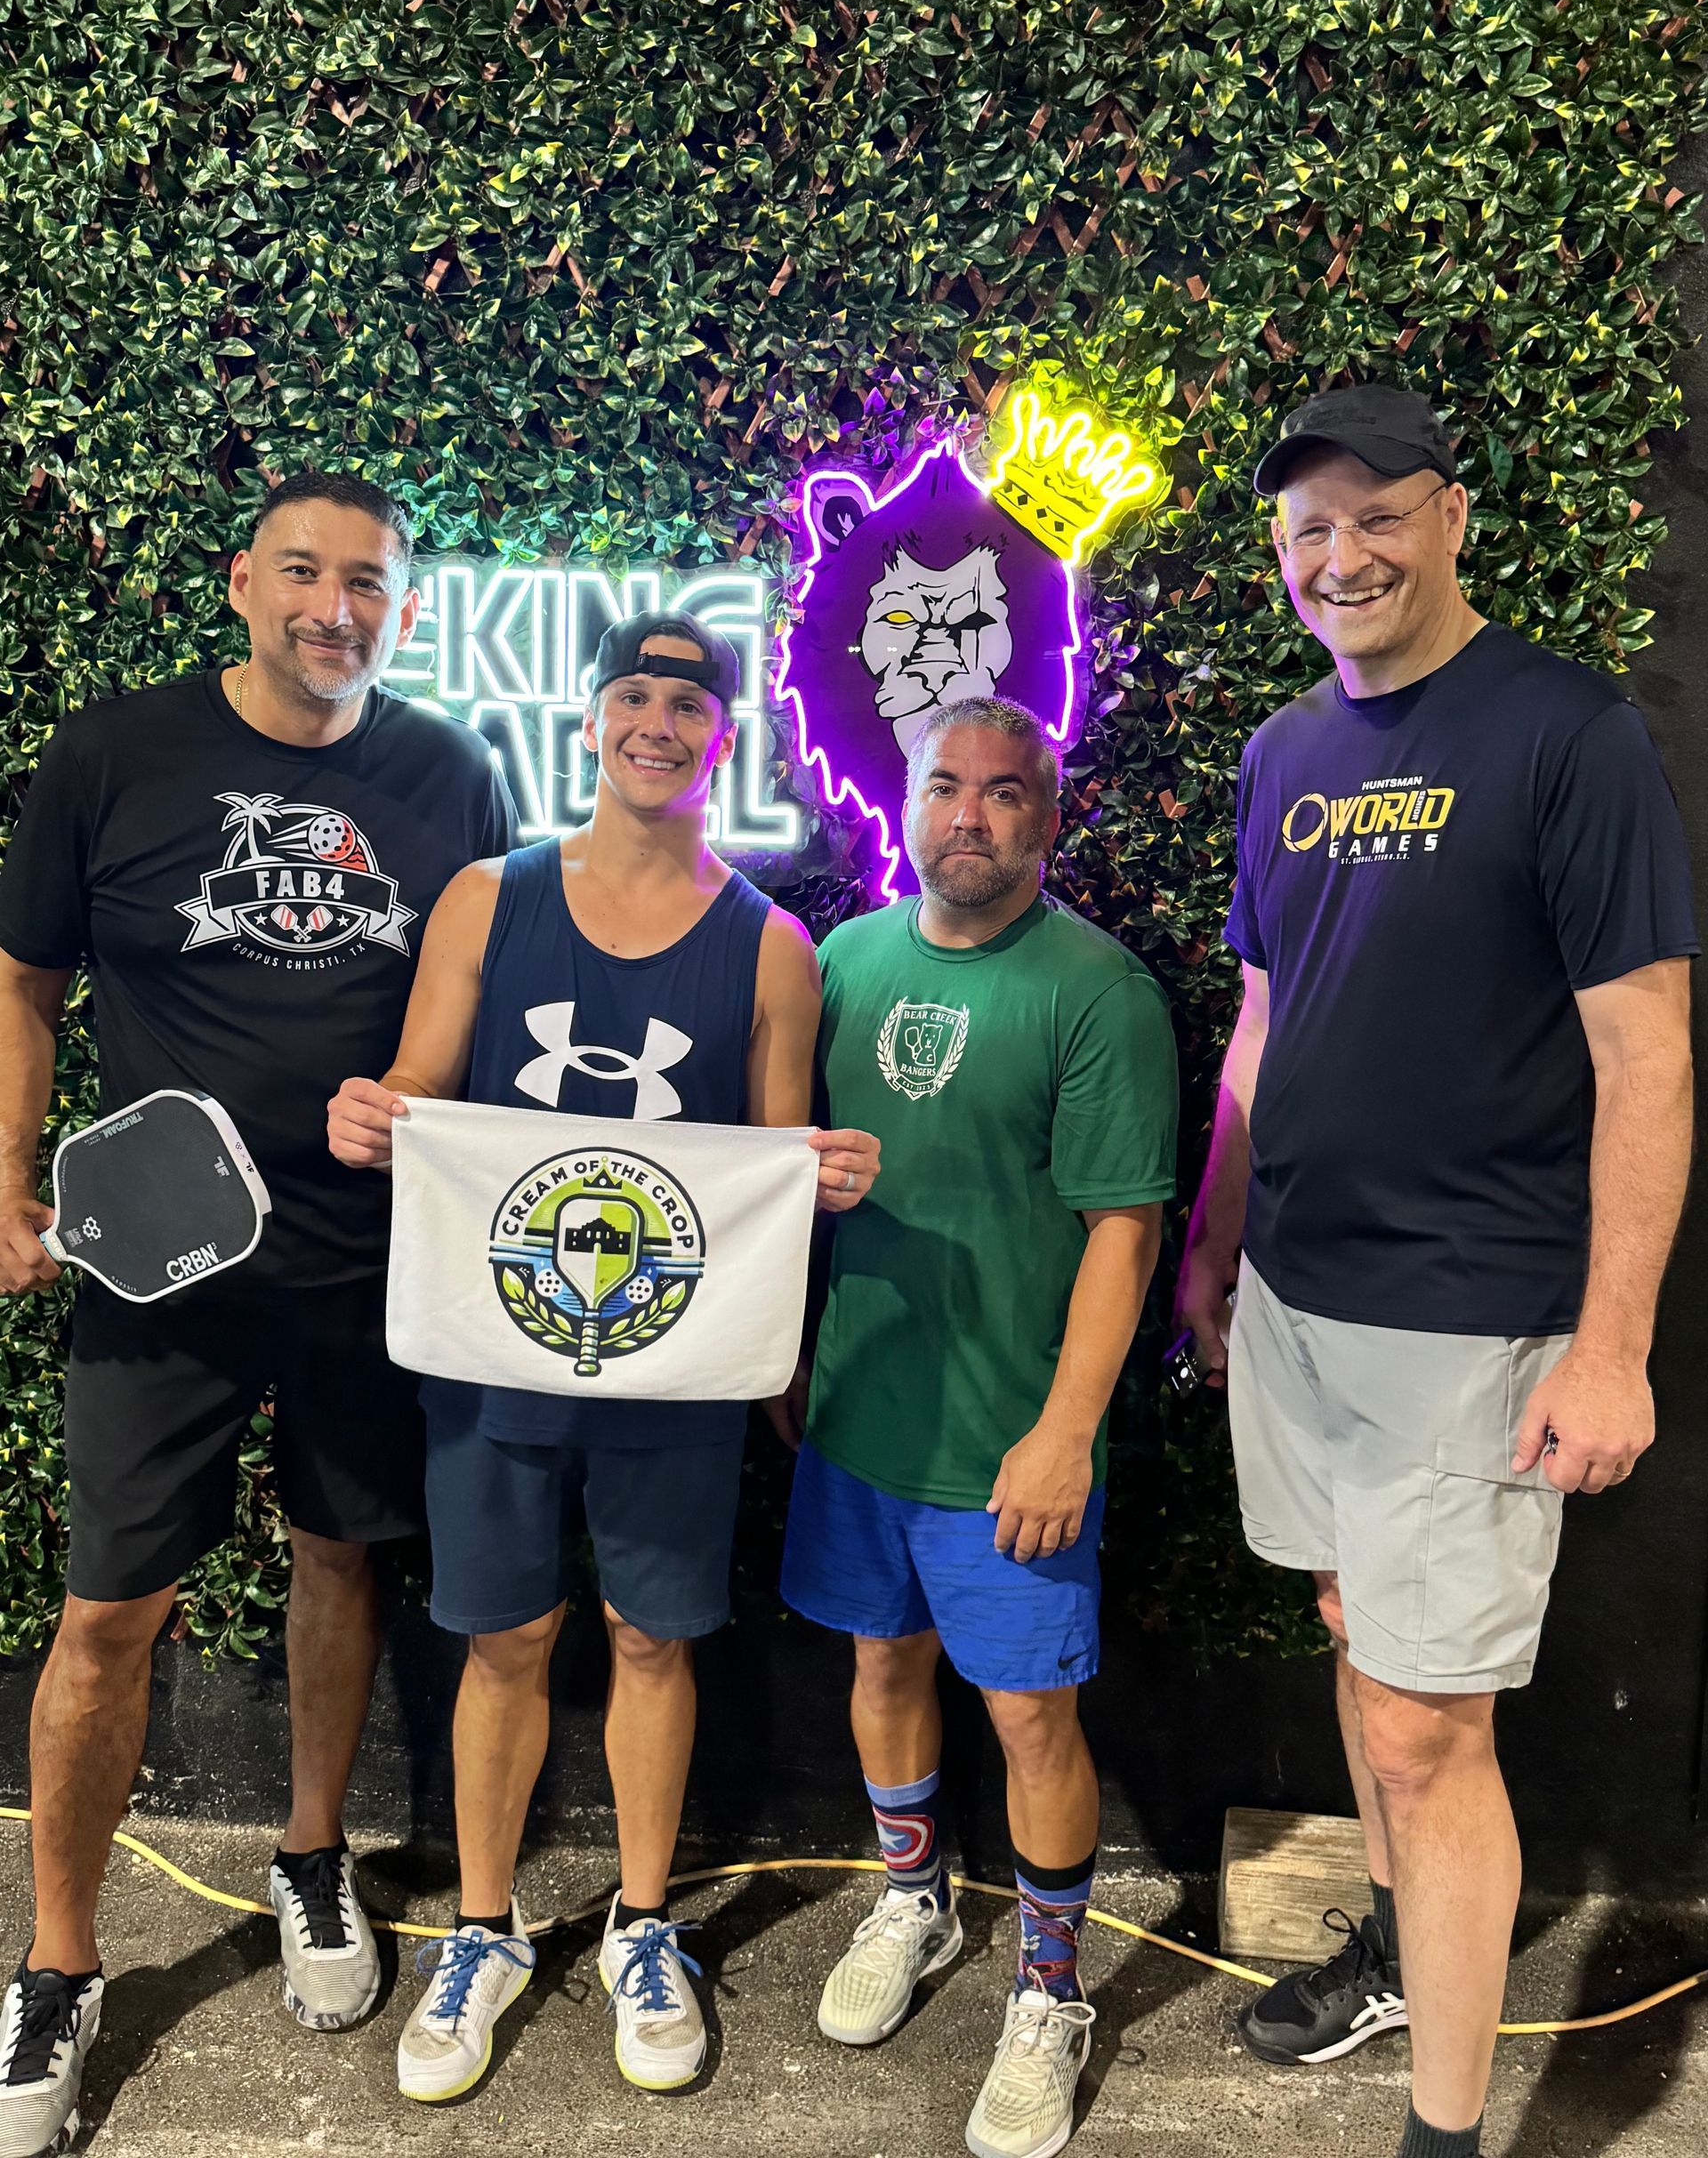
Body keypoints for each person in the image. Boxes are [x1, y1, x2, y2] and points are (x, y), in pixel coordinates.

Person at [1175, 384, 1697, 2158]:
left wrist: (1614, 1340)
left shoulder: (1566, 730)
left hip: (1475, 1317)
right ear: (1279, 554)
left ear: (1452, 515)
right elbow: (1263, 1015)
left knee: (1423, 1730)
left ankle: (1447, 2137)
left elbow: (1646, 1045)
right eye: (1310, 527)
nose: (1345, 553)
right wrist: (1214, 1235)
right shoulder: (1279, 755)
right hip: (1296, 1309)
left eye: (1378, 512)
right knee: (1353, 1633)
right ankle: (1404, 1952)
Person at [0, 472, 519, 2157]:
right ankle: (59, 1964)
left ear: (406, 609)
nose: (334, 607)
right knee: (106, 1613)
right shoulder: (112, 754)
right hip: (163, 1273)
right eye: (304, 572)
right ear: (243, 582)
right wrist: (8, 1181)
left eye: (367, 582)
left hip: (376, 1265)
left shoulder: (447, 774)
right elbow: (24, 980)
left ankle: (312, 1855)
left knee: (341, 1558)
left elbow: (488, 1000)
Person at [326, 609, 879, 2106]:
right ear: (589, 724)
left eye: (687, 707)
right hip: (494, 1343)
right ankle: (486, 1930)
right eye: (631, 697)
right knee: (501, 1639)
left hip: (675, 1364)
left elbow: (769, 1161)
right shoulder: (486, 901)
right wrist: (372, 1113)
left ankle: (646, 1927)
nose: (658, 724)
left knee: (653, 1637)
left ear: (723, 739)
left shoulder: (773, 945)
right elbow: (420, 1087)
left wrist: (812, 1185)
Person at [775, 695, 1179, 2158]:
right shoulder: (841, 962)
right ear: (908, 797)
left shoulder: (1098, 992)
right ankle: (912, 1900)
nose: (971, 816)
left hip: (1009, 1441)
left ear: (1047, 820)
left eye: (1007, 795)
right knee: (881, 1662)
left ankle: (1051, 1991)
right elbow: (775, 1174)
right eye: (947, 785)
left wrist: (1067, 1429)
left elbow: (1126, 1234)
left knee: (1028, 1715)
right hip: (860, 1418)